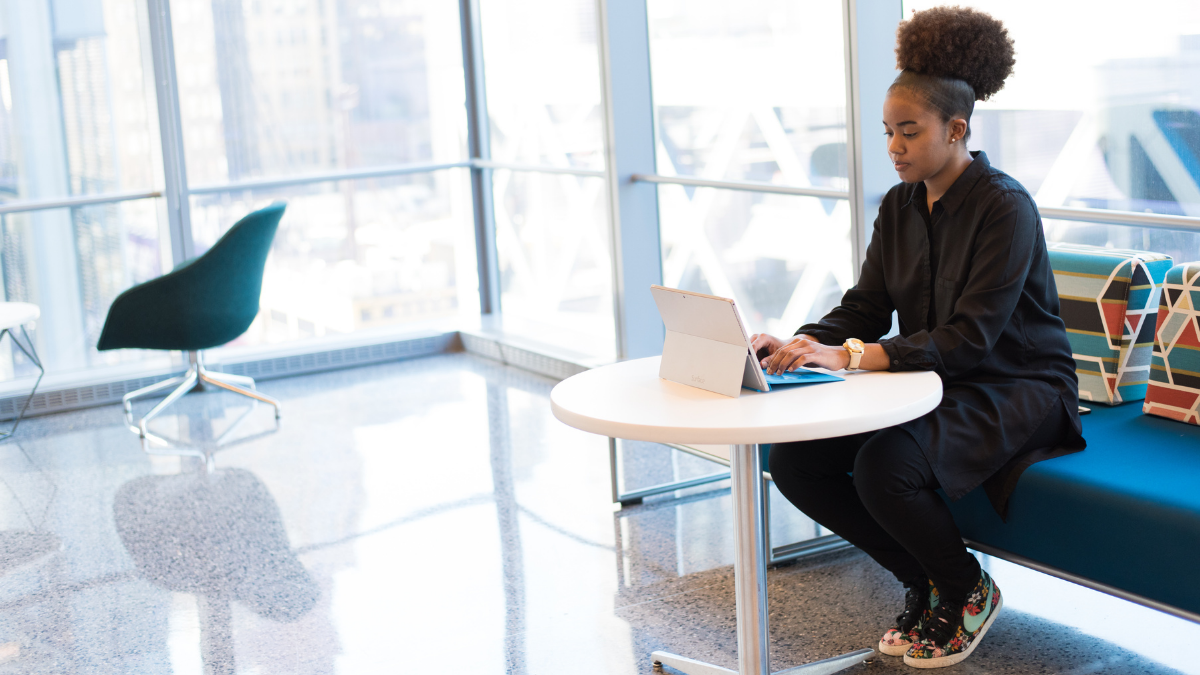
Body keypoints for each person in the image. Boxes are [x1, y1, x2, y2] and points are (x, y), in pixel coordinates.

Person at [750, 6, 1085, 669]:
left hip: (1019, 384)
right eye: (888, 133)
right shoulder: (900, 206)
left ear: (956, 129)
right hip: (934, 378)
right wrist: (796, 343)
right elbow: (868, 304)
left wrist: (848, 356)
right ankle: (925, 581)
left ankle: (967, 589)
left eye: (909, 132)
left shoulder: (1005, 208)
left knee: (886, 465)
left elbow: (972, 337)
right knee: (795, 459)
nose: (895, 147)